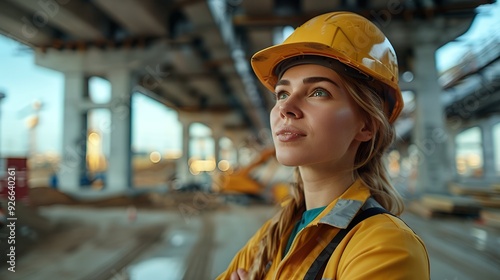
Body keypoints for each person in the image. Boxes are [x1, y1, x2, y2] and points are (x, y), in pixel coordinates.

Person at [217, 11, 430, 280]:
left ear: (366, 125)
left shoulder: (386, 247)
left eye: (319, 92)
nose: (286, 108)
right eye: (282, 93)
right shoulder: (274, 234)